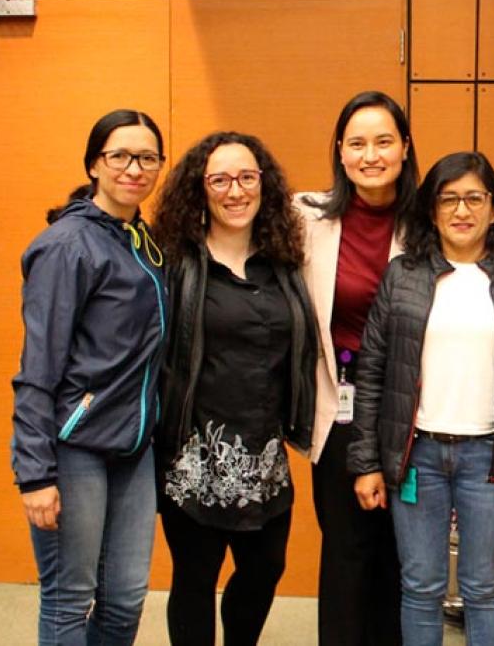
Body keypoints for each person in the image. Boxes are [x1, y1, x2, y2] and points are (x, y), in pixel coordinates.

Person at [295, 93, 494, 646]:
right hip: (376, 425)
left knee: (468, 583)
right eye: (358, 143)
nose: (461, 211)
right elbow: (367, 365)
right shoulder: (323, 227)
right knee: (383, 571)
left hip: (476, 444)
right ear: (340, 152)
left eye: (384, 141)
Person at [152, 132, 319, 646]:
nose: (235, 191)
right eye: (219, 179)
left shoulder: (285, 262)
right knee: (195, 579)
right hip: (193, 454)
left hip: (264, 453)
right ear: (199, 190)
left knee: (266, 568)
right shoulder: (177, 263)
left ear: (263, 185)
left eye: (247, 177)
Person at [11, 109, 167, 645]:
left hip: (133, 448)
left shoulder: (141, 240)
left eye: (147, 157)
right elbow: (37, 369)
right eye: (120, 155)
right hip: (75, 446)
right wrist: (35, 473)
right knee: (69, 600)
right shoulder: (67, 245)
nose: (134, 168)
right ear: (94, 164)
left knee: (125, 601)